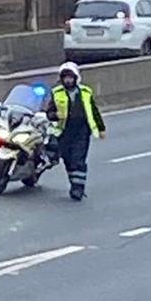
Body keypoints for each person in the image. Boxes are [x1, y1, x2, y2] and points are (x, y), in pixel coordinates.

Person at [44, 62, 106, 201]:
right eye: (65, 77)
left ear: (76, 78)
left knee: (78, 159)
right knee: (68, 160)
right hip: (64, 131)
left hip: (82, 131)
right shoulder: (57, 93)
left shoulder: (85, 92)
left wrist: (101, 128)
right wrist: (56, 115)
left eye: (70, 77)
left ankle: (78, 189)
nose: (68, 80)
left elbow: (94, 111)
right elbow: (49, 113)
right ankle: (74, 183)